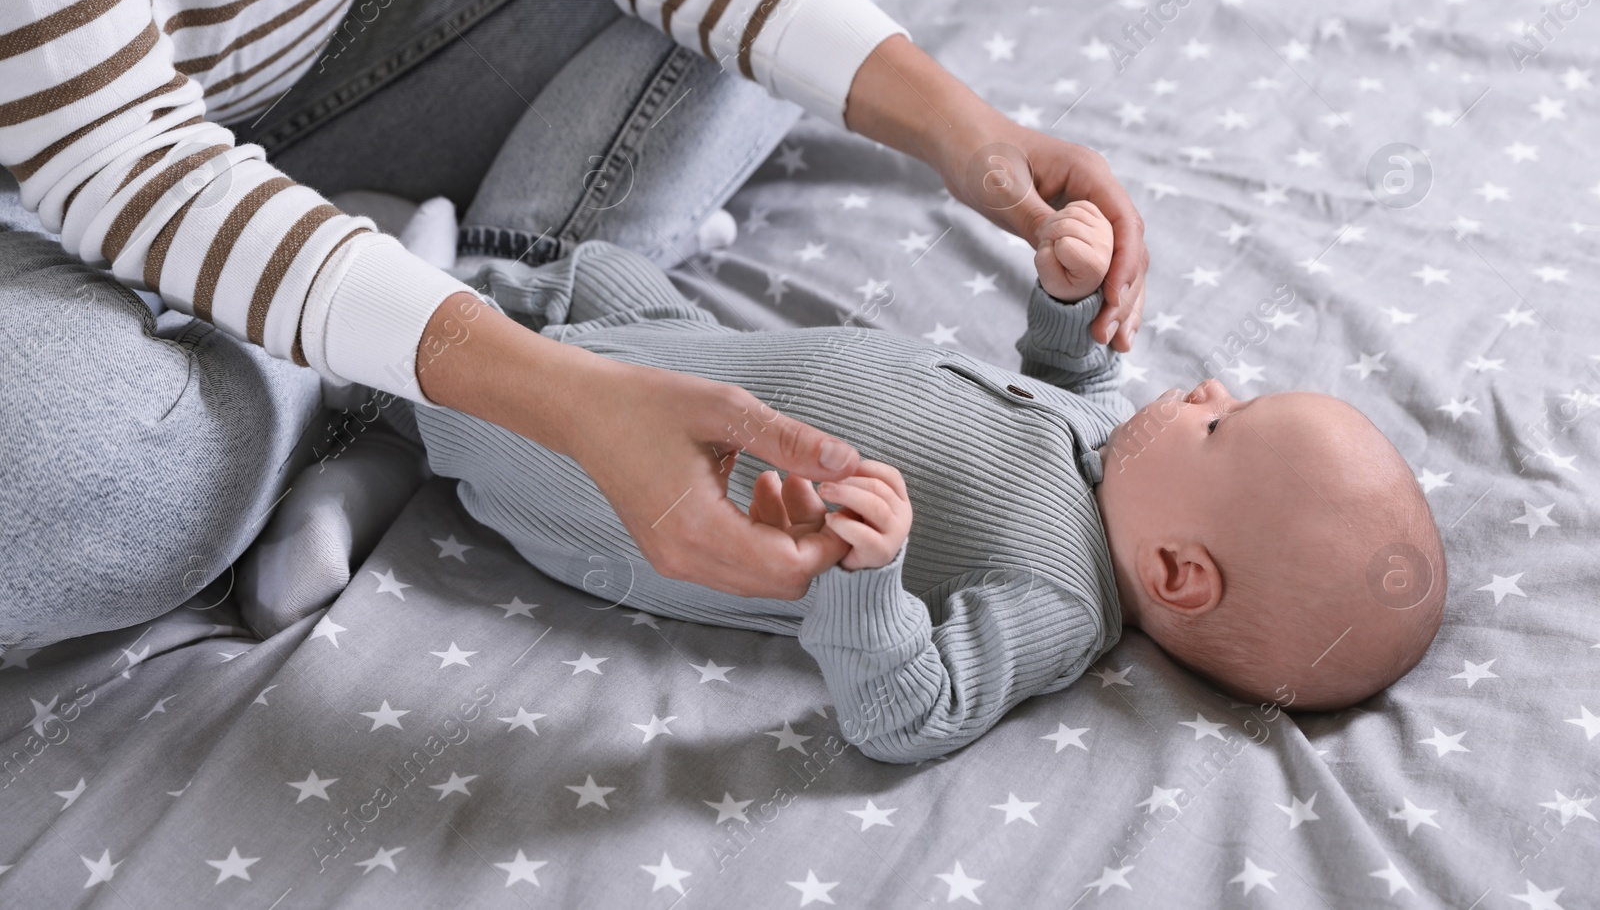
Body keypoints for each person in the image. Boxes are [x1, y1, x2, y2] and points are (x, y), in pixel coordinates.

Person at [0, 0, 1147, 647]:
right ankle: (421, 362)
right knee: (46, 461)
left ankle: (423, 336)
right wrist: (558, 400)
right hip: (50, 180)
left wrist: (962, 129)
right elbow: (119, 154)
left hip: (259, 94)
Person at [410, 202, 1446, 762]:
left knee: (476, 413)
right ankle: (412, 371)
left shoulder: (1058, 598)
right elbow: (1067, 376)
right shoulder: (1109, 445)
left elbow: (909, 711)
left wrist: (868, 575)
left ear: (1176, 571)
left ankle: (367, 404)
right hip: (685, 357)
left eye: (1221, 421)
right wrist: (1065, 298)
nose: (1209, 382)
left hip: (644, 489)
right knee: (605, 278)